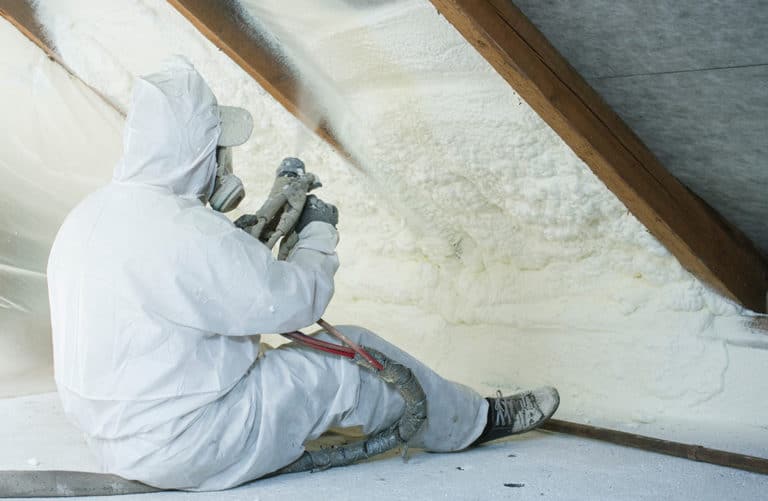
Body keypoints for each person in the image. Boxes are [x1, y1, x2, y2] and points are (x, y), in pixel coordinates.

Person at [47, 56, 559, 491]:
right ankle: (476, 423)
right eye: (217, 148)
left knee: (275, 363)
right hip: (190, 444)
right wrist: (318, 235)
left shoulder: (90, 216)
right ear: (198, 150)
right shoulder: (189, 233)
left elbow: (178, 292)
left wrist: (240, 242)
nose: (222, 161)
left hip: (113, 440)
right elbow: (295, 303)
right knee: (353, 356)